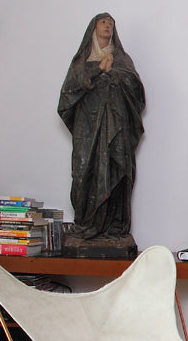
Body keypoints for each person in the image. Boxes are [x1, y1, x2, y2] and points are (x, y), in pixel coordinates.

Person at [57, 13, 145, 240]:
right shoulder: (81, 61)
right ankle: (86, 223)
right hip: (88, 128)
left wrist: (112, 73)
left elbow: (136, 90)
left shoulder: (121, 59)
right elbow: (68, 94)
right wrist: (98, 70)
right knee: (84, 173)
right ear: (93, 28)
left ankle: (115, 226)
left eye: (111, 23)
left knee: (118, 170)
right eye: (103, 22)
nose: (107, 26)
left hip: (116, 126)